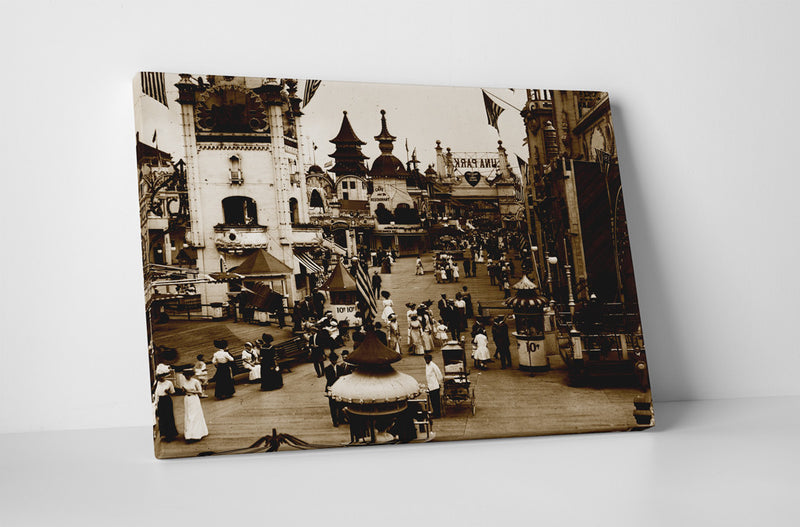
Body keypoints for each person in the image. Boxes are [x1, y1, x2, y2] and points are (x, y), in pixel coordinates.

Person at [181, 369, 208, 443]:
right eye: (185, 375)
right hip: (187, 399)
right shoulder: (184, 381)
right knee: (188, 416)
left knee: (194, 416)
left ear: (191, 375)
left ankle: (196, 434)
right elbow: (183, 391)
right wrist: (183, 391)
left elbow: (200, 392)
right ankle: (189, 434)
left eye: (188, 375)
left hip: (194, 399)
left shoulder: (195, 381)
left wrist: (191, 391)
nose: (187, 376)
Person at [154, 373, 178, 442]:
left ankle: (170, 434)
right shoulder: (157, 383)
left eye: (162, 376)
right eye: (159, 376)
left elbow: (173, 392)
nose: (161, 378)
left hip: (167, 400)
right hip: (160, 401)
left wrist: (168, 392)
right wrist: (156, 403)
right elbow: (156, 393)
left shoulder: (169, 383)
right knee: (162, 417)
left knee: (168, 417)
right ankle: (164, 433)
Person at [324, 354, 345, 426]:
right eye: (333, 360)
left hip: (339, 388)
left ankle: (341, 419)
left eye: (335, 360)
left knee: (340, 404)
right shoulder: (327, 369)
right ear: (330, 360)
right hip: (331, 388)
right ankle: (335, 421)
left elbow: (342, 377)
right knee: (332, 405)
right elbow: (329, 379)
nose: (334, 361)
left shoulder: (340, 368)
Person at [424, 354, 443, 419]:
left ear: (430, 359)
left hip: (435, 386)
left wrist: (439, 382)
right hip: (430, 386)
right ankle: (434, 412)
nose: (427, 361)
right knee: (433, 401)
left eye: (428, 359)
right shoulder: (427, 365)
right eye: (425, 360)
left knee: (436, 401)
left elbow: (439, 374)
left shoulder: (433, 365)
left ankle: (437, 414)